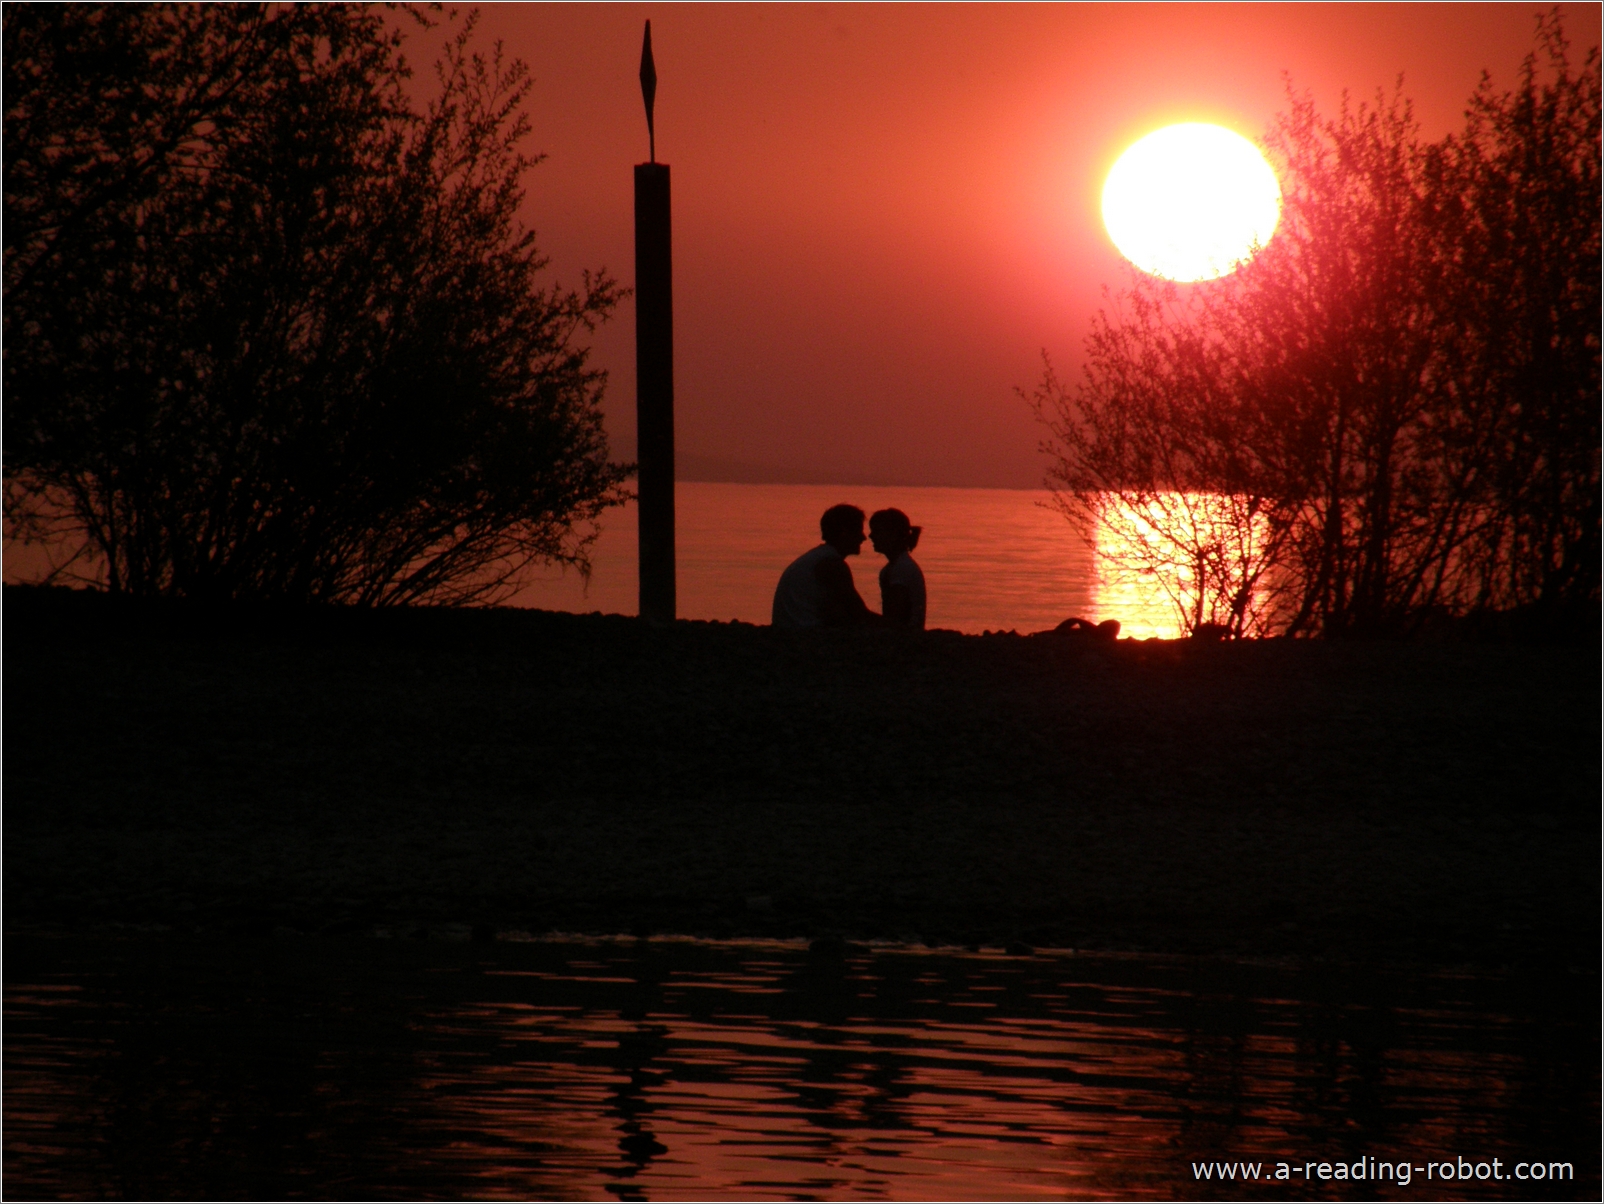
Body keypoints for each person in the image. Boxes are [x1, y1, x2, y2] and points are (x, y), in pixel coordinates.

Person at [772, 504, 879, 627]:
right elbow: (857, 612)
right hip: (803, 634)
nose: (863, 537)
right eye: (858, 531)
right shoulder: (832, 565)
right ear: (844, 533)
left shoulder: (817, 558)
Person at [869, 508, 926, 630]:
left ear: (893, 534)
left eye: (877, 531)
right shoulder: (895, 567)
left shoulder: (901, 569)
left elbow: (897, 618)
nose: (871, 536)